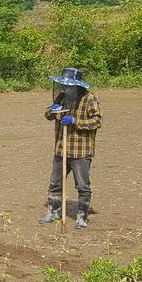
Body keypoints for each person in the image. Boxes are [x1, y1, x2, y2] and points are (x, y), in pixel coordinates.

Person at [39, 67, 102, 229]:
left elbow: (97, 122)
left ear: (77, 86)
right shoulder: (61, 97)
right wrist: (52, 111)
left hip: (80, 151)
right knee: (55, 183)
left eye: (68, 86)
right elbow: (47, 116)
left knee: (82, 185)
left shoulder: (90, 99)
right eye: (63, 86)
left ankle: (82, 216)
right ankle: (53, 212)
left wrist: (75, 121)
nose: (65, 89)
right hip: (61, 148)